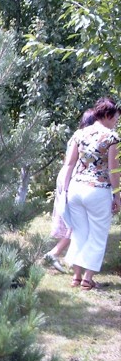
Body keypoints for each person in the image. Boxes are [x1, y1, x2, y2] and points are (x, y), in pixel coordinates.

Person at [60, 97, 121, 290]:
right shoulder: (112, 138)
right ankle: (87, 279)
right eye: (116, 118)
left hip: (76, 188)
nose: (117, 122)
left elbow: (69, 164)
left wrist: (64, 190)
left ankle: (76, 277)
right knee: (98, 234)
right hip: (98, 190)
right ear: (108, 115)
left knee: (79, 233)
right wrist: (117, 195)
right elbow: (113, 170)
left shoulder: (80, 133)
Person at [43, 108, 96, 272]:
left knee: (75, 222)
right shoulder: (84, 137)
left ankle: (66, 256)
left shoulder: (77, 135)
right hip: (71, 178)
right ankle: (55, 253)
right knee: (76, 223)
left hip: (67, 176)